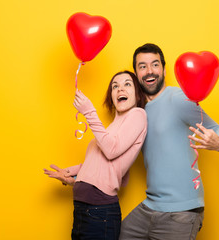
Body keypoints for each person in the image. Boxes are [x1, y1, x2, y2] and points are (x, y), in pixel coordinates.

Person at [119, 43, 219, 240]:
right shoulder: (137, 111)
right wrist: (82, 178)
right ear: (136, 73)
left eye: (155, 64)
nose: (149, 71)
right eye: (142, 66)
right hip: (150, 206)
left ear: (163, 68)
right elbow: (118, 154)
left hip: (181, 212)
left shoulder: (178, 98)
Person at [44, 70, 147, 240]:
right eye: (115, 86)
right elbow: (99, 165)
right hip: (82, 210)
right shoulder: (112, 127)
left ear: (137, 96)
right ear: (111, 97)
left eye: (127, 84)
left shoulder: (138, 115)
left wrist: (89, 112)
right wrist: (71, 175)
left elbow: (111, 150)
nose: (120, 89)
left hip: (100, 213)